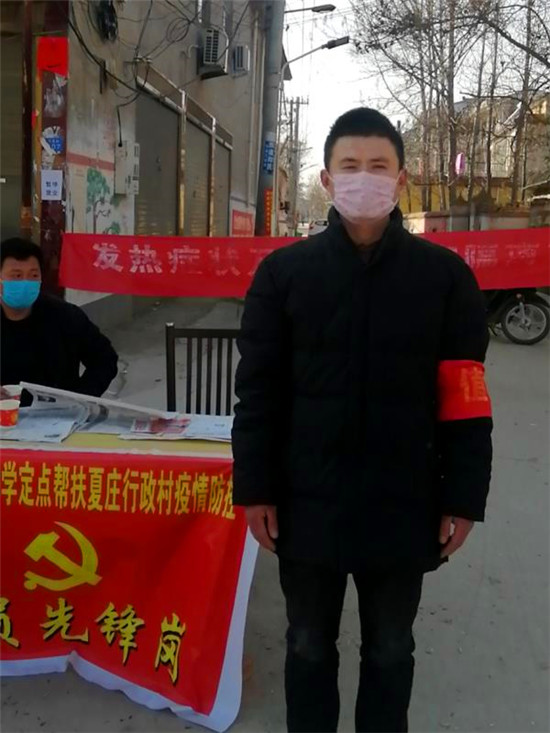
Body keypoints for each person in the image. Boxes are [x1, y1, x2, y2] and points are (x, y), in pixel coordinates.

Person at [232, 108, 492, 733]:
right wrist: (255, 488)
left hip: (404, 502)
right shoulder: (283, 275)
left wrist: (463, 498)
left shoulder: (445, 278)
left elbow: (465, 398)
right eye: (350, 166)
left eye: (379, 166)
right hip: (306, 501)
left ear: (401, 179)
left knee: (391, 649)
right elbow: (258, 393)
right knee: (307, 645)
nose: (364, 178)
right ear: (326, 179)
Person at [1, 237, 119, 403]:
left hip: (60, 414)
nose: (26, 283)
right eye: (17, 276)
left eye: (33, 275)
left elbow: (104, 359)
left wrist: (80, 398)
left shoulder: (65, 316)